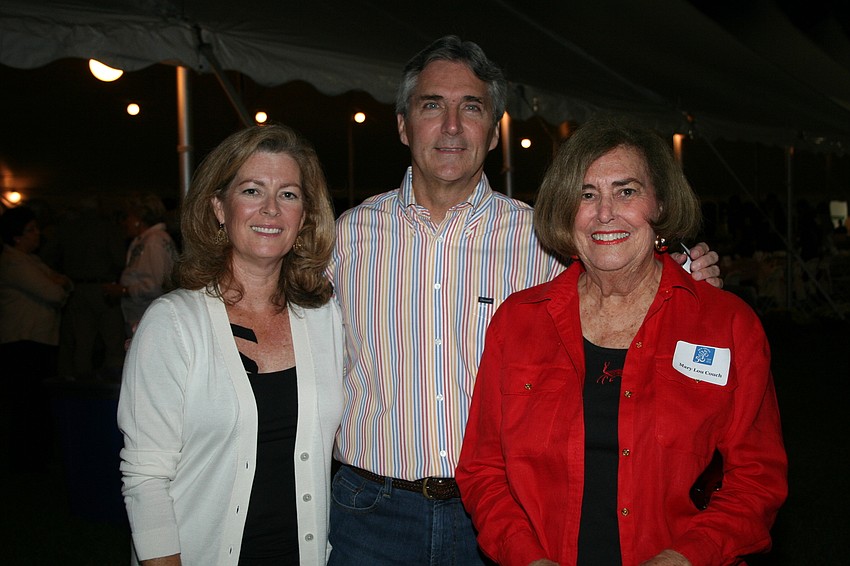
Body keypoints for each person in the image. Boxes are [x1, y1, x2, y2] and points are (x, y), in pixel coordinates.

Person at [327, 36, 722, 565]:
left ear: (493, 132)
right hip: (373, 512)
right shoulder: (344, 238)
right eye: (431, 106)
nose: (450, 126)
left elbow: (632, 284)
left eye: (471, 108)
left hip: (505, 513)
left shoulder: (546, 239)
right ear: (403, 125)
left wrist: (693, 280)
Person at [455, 118, 787, 566]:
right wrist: (526, 559)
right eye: (586, 194)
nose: (604, 212)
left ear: (661, 203)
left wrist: (685, 557)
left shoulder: (726, 325)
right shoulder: (518, 322)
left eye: (626, 191)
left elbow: (757, 479)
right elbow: (483, 470)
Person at [118, 124, 344, 565]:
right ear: (219, 207)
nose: (271, 210)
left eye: (289, 195)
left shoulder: (324, 317)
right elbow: (146, 478)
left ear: (304, 219)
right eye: (252, 190)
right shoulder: (173, 324)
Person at [0, 205, 73, 468]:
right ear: (16, 236)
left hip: (39, 340)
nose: (37, 234)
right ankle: (25, 457)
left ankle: (36, 453)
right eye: (30, 230)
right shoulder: (13, 262)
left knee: (36, 401)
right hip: (23, 341)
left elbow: (65, 283)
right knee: (26, 402)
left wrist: (60, 286)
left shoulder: (33, 260)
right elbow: (54, 292)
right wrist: (59, 286)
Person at [103, 192, 179, 335]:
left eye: (129, 217)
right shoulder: (147, 240)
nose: (125, 223)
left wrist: (123, 291)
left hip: (148, 318)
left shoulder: (154, 241)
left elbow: (156, 286)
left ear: (139, 219)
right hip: (142, 317)